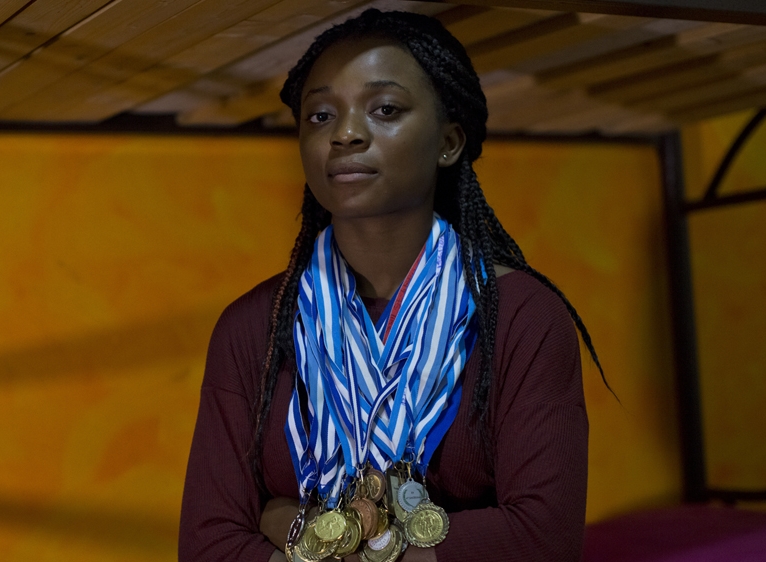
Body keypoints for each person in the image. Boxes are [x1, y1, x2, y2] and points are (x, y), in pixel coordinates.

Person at [179, 9, 602, 562]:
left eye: (385, 109)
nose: (346, 134)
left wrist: (287, 523)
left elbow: (543, 539)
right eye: (320, 115)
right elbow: (207, 545)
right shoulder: (251, 327)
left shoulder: (523, 318)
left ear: (449, 141)